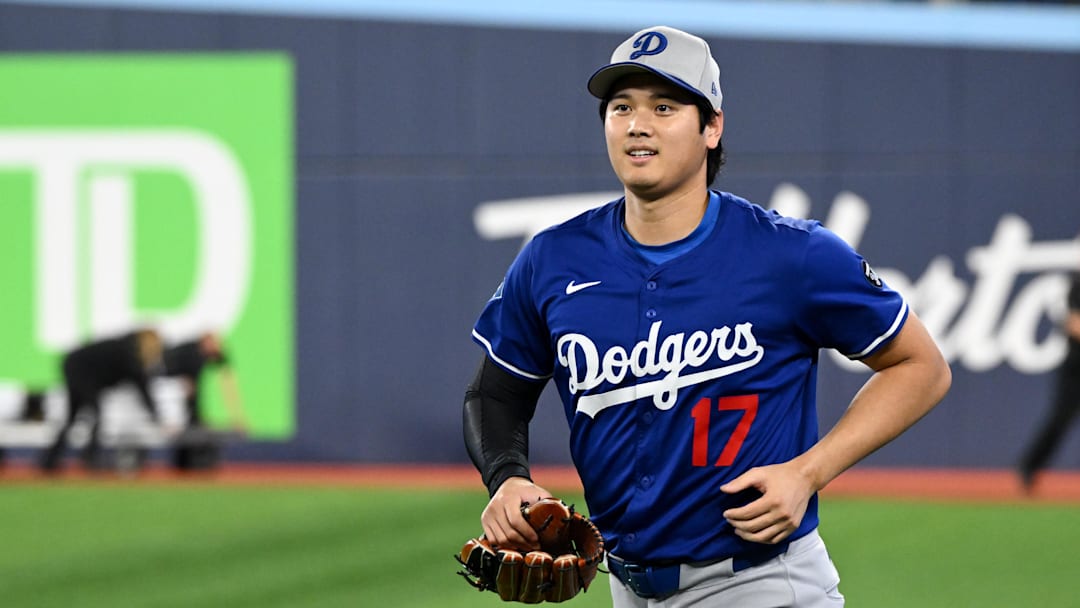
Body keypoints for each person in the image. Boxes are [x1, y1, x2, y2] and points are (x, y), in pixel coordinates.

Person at [462, 26, 951, 606]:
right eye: (622, 108)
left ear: (712, 126)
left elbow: (921, 366)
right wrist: (508, 476)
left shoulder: (790, 254)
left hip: (760, 582)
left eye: (664, 106)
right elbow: (495, 396)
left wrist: (809, 471)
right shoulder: (552, 257)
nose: (638, 124)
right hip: (628, 586)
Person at [40, 328, 164, 472]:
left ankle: (51, 461)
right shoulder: (128, 354)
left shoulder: (124, 349)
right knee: (94, 413)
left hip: (76, 369)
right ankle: (89, 459)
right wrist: (156, 415)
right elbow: (142, 386)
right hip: (79, 371)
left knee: (74, 418)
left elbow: (140, 384)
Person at [1017, 268, 1080, 492]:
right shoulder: (1078, 281)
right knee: (1059, 421)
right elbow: (1073, 323)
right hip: (1076, 367)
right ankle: (1028, 466)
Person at [163, 331, 246, 431]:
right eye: (214, 344)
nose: (217, 348)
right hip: (168, 390)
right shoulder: (192, 354)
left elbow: (225, 373)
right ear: (205, 343)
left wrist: (237, 415)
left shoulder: (204, 354)